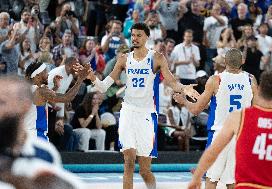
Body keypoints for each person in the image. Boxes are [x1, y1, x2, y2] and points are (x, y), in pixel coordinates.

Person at [88, 22, 199, 189]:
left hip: (147, 115)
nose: (135, 38)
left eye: (139, 35)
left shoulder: (157, 58)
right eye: (133, 35)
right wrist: (92, 77)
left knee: (145, 170)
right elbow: (104, 86)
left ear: (147, 37)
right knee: (129, 162)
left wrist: (184, 89)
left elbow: (171, 82)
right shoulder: (124, 59)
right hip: (128, 112)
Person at [173, 48, 258, 189]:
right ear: (242, 61)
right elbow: (255, 110)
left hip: (219, 136)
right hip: (241, 136)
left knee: (211, 179)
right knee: (232, 181)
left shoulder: (215, 80)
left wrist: (184, 101)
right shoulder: (251, 80)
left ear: (225, 62)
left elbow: (195, 110)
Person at [187, 70, 272, 189]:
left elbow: (213, 151)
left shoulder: (239, 117)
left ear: (260, 89)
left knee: (215, 179)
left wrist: (196, 176)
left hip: (247, 185)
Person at [25, 61, 90, 140]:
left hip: (28, 135)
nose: (48, 74)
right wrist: (80, 80)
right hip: (36, 135)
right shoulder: (41, 90)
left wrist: (56, 87)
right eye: (45, 72)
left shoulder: (28, 90)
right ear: (38, 76)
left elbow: (44, 99)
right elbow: (67, 98)